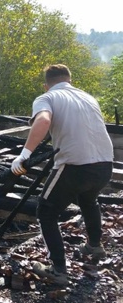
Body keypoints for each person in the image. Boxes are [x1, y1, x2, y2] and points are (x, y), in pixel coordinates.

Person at [11, 64, 113, 285]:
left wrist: (24, 155)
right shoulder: (88, 98)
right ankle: (95, 246)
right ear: (70, 80)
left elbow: (43, 121)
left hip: (75, 166)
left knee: (46, 211)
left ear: (47, 84)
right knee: (88, 200)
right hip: (105, 163)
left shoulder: (47, 97)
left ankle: (58, 271)